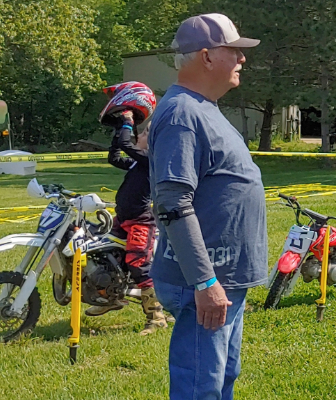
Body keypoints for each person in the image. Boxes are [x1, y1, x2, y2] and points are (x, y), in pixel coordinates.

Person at [148, 13, 264, 400]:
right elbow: (173, 203)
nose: (242, 59)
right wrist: (205, 281)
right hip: (204, 281)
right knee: (200, 388)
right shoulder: (182, 114)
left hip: (223, 278)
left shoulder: (201, 107)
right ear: (207, 57)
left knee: (220, 378)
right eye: (235, 51)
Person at [82, 81, 172, 335]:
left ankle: (156, 318)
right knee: (106, 254)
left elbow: (126, 146)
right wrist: (118, 128)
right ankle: (110, 296)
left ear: (152, 143)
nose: (137, 136)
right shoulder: (137, 164)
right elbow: (115, 156)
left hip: (141, 222)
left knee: (138, 262)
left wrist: (127, 122)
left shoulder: (150, 160)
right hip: (124, 220)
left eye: (142, 135)